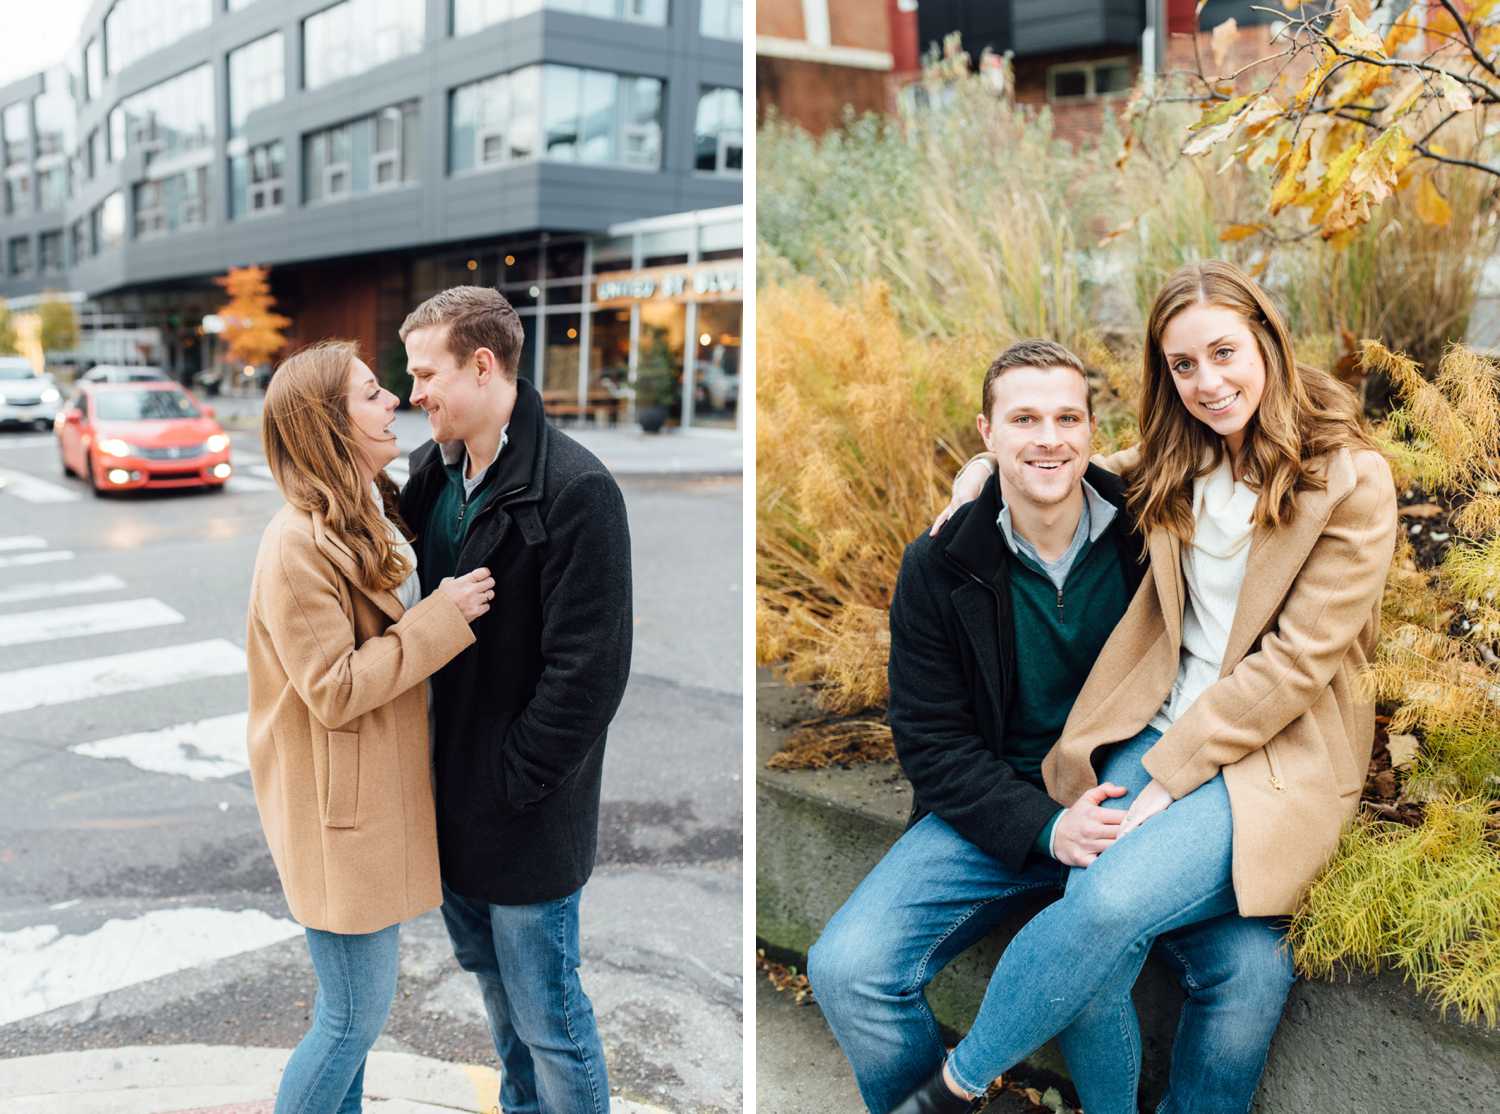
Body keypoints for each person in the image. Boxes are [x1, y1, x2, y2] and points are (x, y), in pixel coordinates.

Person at [891, 261, 1398, 1113]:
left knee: (1114, 899)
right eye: (1183, 365)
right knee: (1094, 887)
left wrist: (1171, 773)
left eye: (1225, 353)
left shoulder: (1349, 481)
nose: (1208, 382)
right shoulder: (1175, 458)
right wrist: (981, 474)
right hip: (1158, 717)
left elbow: (1297, 666)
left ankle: (955, 1085)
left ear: (1268, 343)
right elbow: (1063, 458)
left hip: (1276, 751)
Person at [809, 338, 1299, 1114]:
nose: (1049, 438)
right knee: (848, 968)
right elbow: (932, 748)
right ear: (987, 432)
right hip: (1002, 811)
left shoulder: (1154, 524)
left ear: (1090, 430)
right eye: (1024, 419)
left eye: (1067, 418)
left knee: (1255, 969)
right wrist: (1046, 829)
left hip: (1139, 803)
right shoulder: (939, 564)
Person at [396, 286, 633, 1114]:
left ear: (483, 365)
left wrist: (510, 782)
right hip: (450, 807)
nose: (412, 391)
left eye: (426, 372)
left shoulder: (577, 491)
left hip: (526, 820)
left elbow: (589, 674)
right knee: (501, 1009)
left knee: (552, 1023)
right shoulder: (433, 473)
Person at [245, 340, 495, 1113]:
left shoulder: (372, 505)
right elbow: (331, 688)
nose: (393, 401)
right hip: (336, 814)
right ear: (329, 424)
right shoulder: (295, 544)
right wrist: (438, 620)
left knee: (355, 1021)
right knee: (351, 1019)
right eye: (371, 394)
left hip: (368, 804)